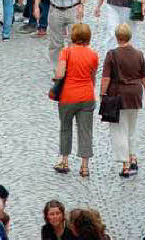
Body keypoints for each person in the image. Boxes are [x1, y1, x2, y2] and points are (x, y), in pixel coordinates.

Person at [99, 22, 145, 177]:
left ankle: (125, 164)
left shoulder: (112, 54)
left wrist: (102, 94)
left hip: (118, 96)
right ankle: (133, 157)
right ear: (129, 36)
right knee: (132, 129)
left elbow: (105, 79)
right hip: (135, 95)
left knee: (119, 131)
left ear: (117, 37)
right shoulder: (139, 54)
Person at [53, 22, 98, 178]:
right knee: (85, 131)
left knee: (65, 128)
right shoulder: (93, 54)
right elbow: (93, 77)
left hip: (68, 96)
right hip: (86, 95)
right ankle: (84, 166)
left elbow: (59, 74)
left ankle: (64, 161)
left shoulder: (66, 52)